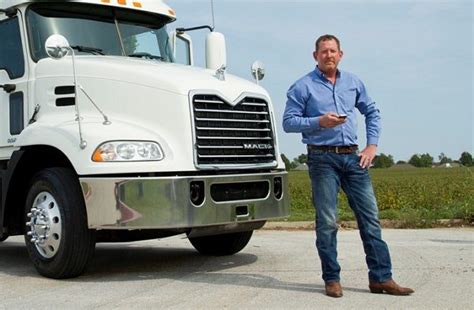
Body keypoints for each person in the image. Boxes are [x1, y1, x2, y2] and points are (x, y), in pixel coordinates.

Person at [282, 34, 414, 298]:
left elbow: (372, 112)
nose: (328, 55)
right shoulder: (302, 86)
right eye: (323, 51)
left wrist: (372, 146)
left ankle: (381, 278)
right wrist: (319, 121)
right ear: (315, 56)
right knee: (328, 222)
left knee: (370, 219)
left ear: (340, 54)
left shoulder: (354, 82)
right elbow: (288, 122)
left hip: (354, 158)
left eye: (333, 51)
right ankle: (332, 279)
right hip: (321, 159)